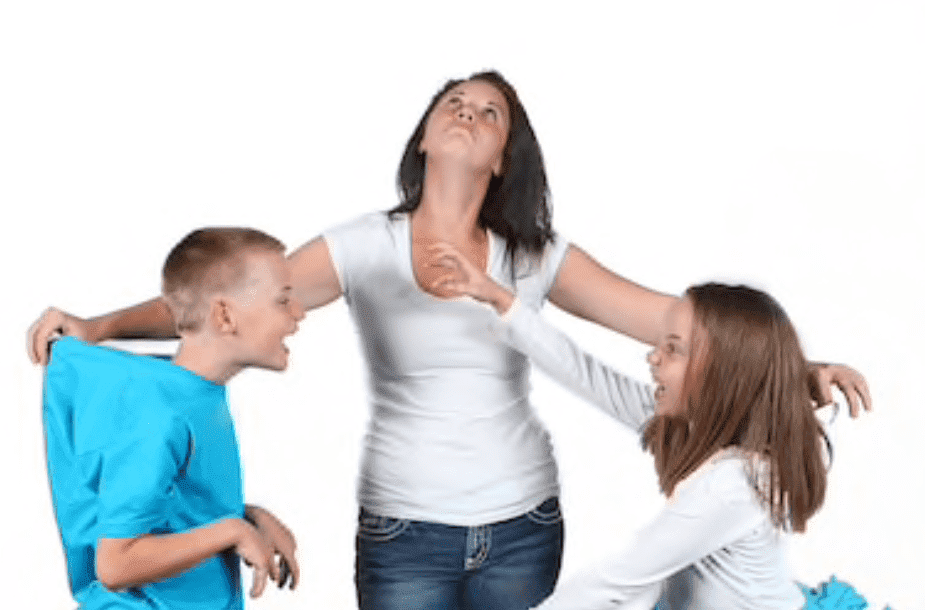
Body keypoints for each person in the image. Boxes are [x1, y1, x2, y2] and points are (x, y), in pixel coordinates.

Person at [27, 71, 870, 610]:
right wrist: (100, 325)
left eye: (491, 111)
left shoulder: (537, 256)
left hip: (522, 526)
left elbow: (671, 326)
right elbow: (224, 299)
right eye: (453, 104)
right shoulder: (364, 245)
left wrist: (795, 371)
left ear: (505, 157)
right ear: (425, 136)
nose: (469, 112)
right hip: (404, 532)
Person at [428, 242, 872, 609]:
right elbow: (584, 373)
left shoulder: (735, 483)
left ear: (722, 373)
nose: (653, 356)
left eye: (674, 349)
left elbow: (618, 581)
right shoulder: (691, 428)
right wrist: (502, 301)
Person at [42, 228, 303, 609]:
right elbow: (116, 564)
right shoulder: (159, 416)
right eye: (283, 301)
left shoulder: (194, 396)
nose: (299, 313)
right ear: (225, 316)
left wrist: (248, 517)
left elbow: (170, 505)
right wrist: (230, 531)